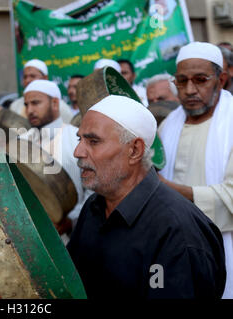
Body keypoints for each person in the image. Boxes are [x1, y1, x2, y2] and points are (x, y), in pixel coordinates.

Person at [69, 94, 226, 298]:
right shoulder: (93, 207)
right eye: (79, 139)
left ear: (135, 150)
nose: (78, 151)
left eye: (93, 141)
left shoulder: (177, 231)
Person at [158, 41, 233, 298]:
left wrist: (166, 191)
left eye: (200, 80)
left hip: (225, 246)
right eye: (181, 81)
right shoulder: (168, 125)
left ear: (221, 79)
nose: (190, 90)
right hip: (175, 246)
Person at [20, 79, 91, 237]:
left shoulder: (76, 138)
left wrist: (70, 221)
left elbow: (92, 191)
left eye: (36, 103)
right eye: (26, 104)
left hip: (73, 236)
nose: (30, 110)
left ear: (54, 103)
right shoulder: (21, 143)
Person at [9, 59, 74, 123]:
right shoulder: (15, 106)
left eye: (32, 76)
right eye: (25, 77)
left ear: (45, 78)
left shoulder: (60, 106)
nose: (27, 80)